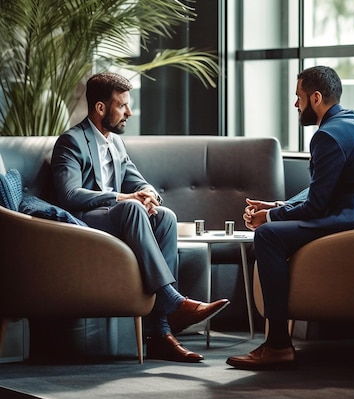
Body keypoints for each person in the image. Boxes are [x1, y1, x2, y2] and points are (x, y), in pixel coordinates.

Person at [226, 65, 354, 371]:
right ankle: (277, 341)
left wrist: (270, 219)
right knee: (273, 229)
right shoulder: (352, 122)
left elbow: (317, 206)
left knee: (268, 236)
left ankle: (278, 345)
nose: (296, 105)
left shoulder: (327, 137)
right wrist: (280, 206)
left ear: (316, 98)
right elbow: (323, 191)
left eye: (299, 97)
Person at [51, 72, 229, 364]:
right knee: (132, 208)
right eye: (122, 106)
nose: (129, 113)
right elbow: (69, 196)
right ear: (100, 108)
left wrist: (148, 194)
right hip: (83, 226)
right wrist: (124, 198)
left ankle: (160, 335)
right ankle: (173, 302)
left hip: (116, 218)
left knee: (165, 216)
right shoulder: (71, 142)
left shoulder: (116, 143)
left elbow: (136, 180)